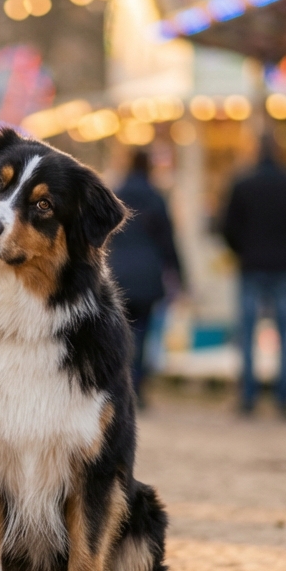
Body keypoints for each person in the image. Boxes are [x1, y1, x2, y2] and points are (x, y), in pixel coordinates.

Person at [220, 136, 286, 417]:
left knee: (247, 334)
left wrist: (242, 250)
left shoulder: (242, 183)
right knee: (285, 335)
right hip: (281, 265)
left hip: (250, 265)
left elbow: (226, 226)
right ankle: (284, 398)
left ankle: (248, 397)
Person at [107, 150, 183, 408]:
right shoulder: (156, 198)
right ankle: (136, 388)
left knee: (116, 335)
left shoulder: (116, 194)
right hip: (148, 276)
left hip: (117, 274)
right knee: (144, 335)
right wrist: (180, 276)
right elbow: (168, 241)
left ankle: (117, 389)